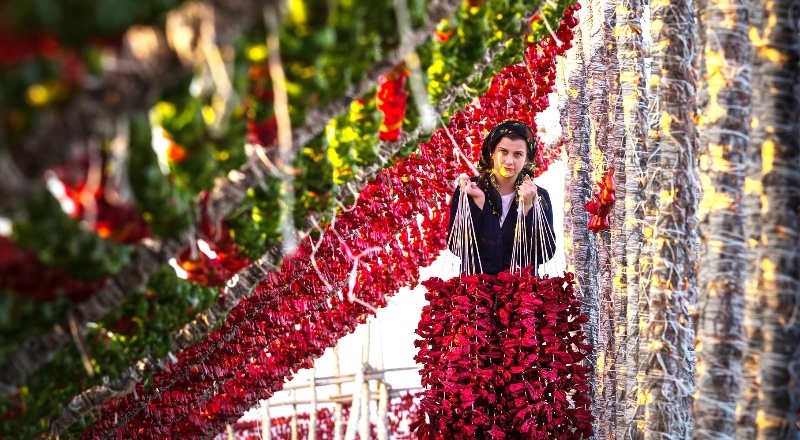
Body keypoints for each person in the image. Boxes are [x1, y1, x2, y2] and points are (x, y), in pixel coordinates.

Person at [447, 120, 556, 275]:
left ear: (527, 158)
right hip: (476, 288)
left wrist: (527, 208)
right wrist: (478, 203)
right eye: (503, 152)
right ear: (492, 152)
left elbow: (544, 254)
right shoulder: (469, 190)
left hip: (522, 288)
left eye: (518, 154)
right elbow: (457, 246)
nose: (509, 161)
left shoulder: (539, 196)